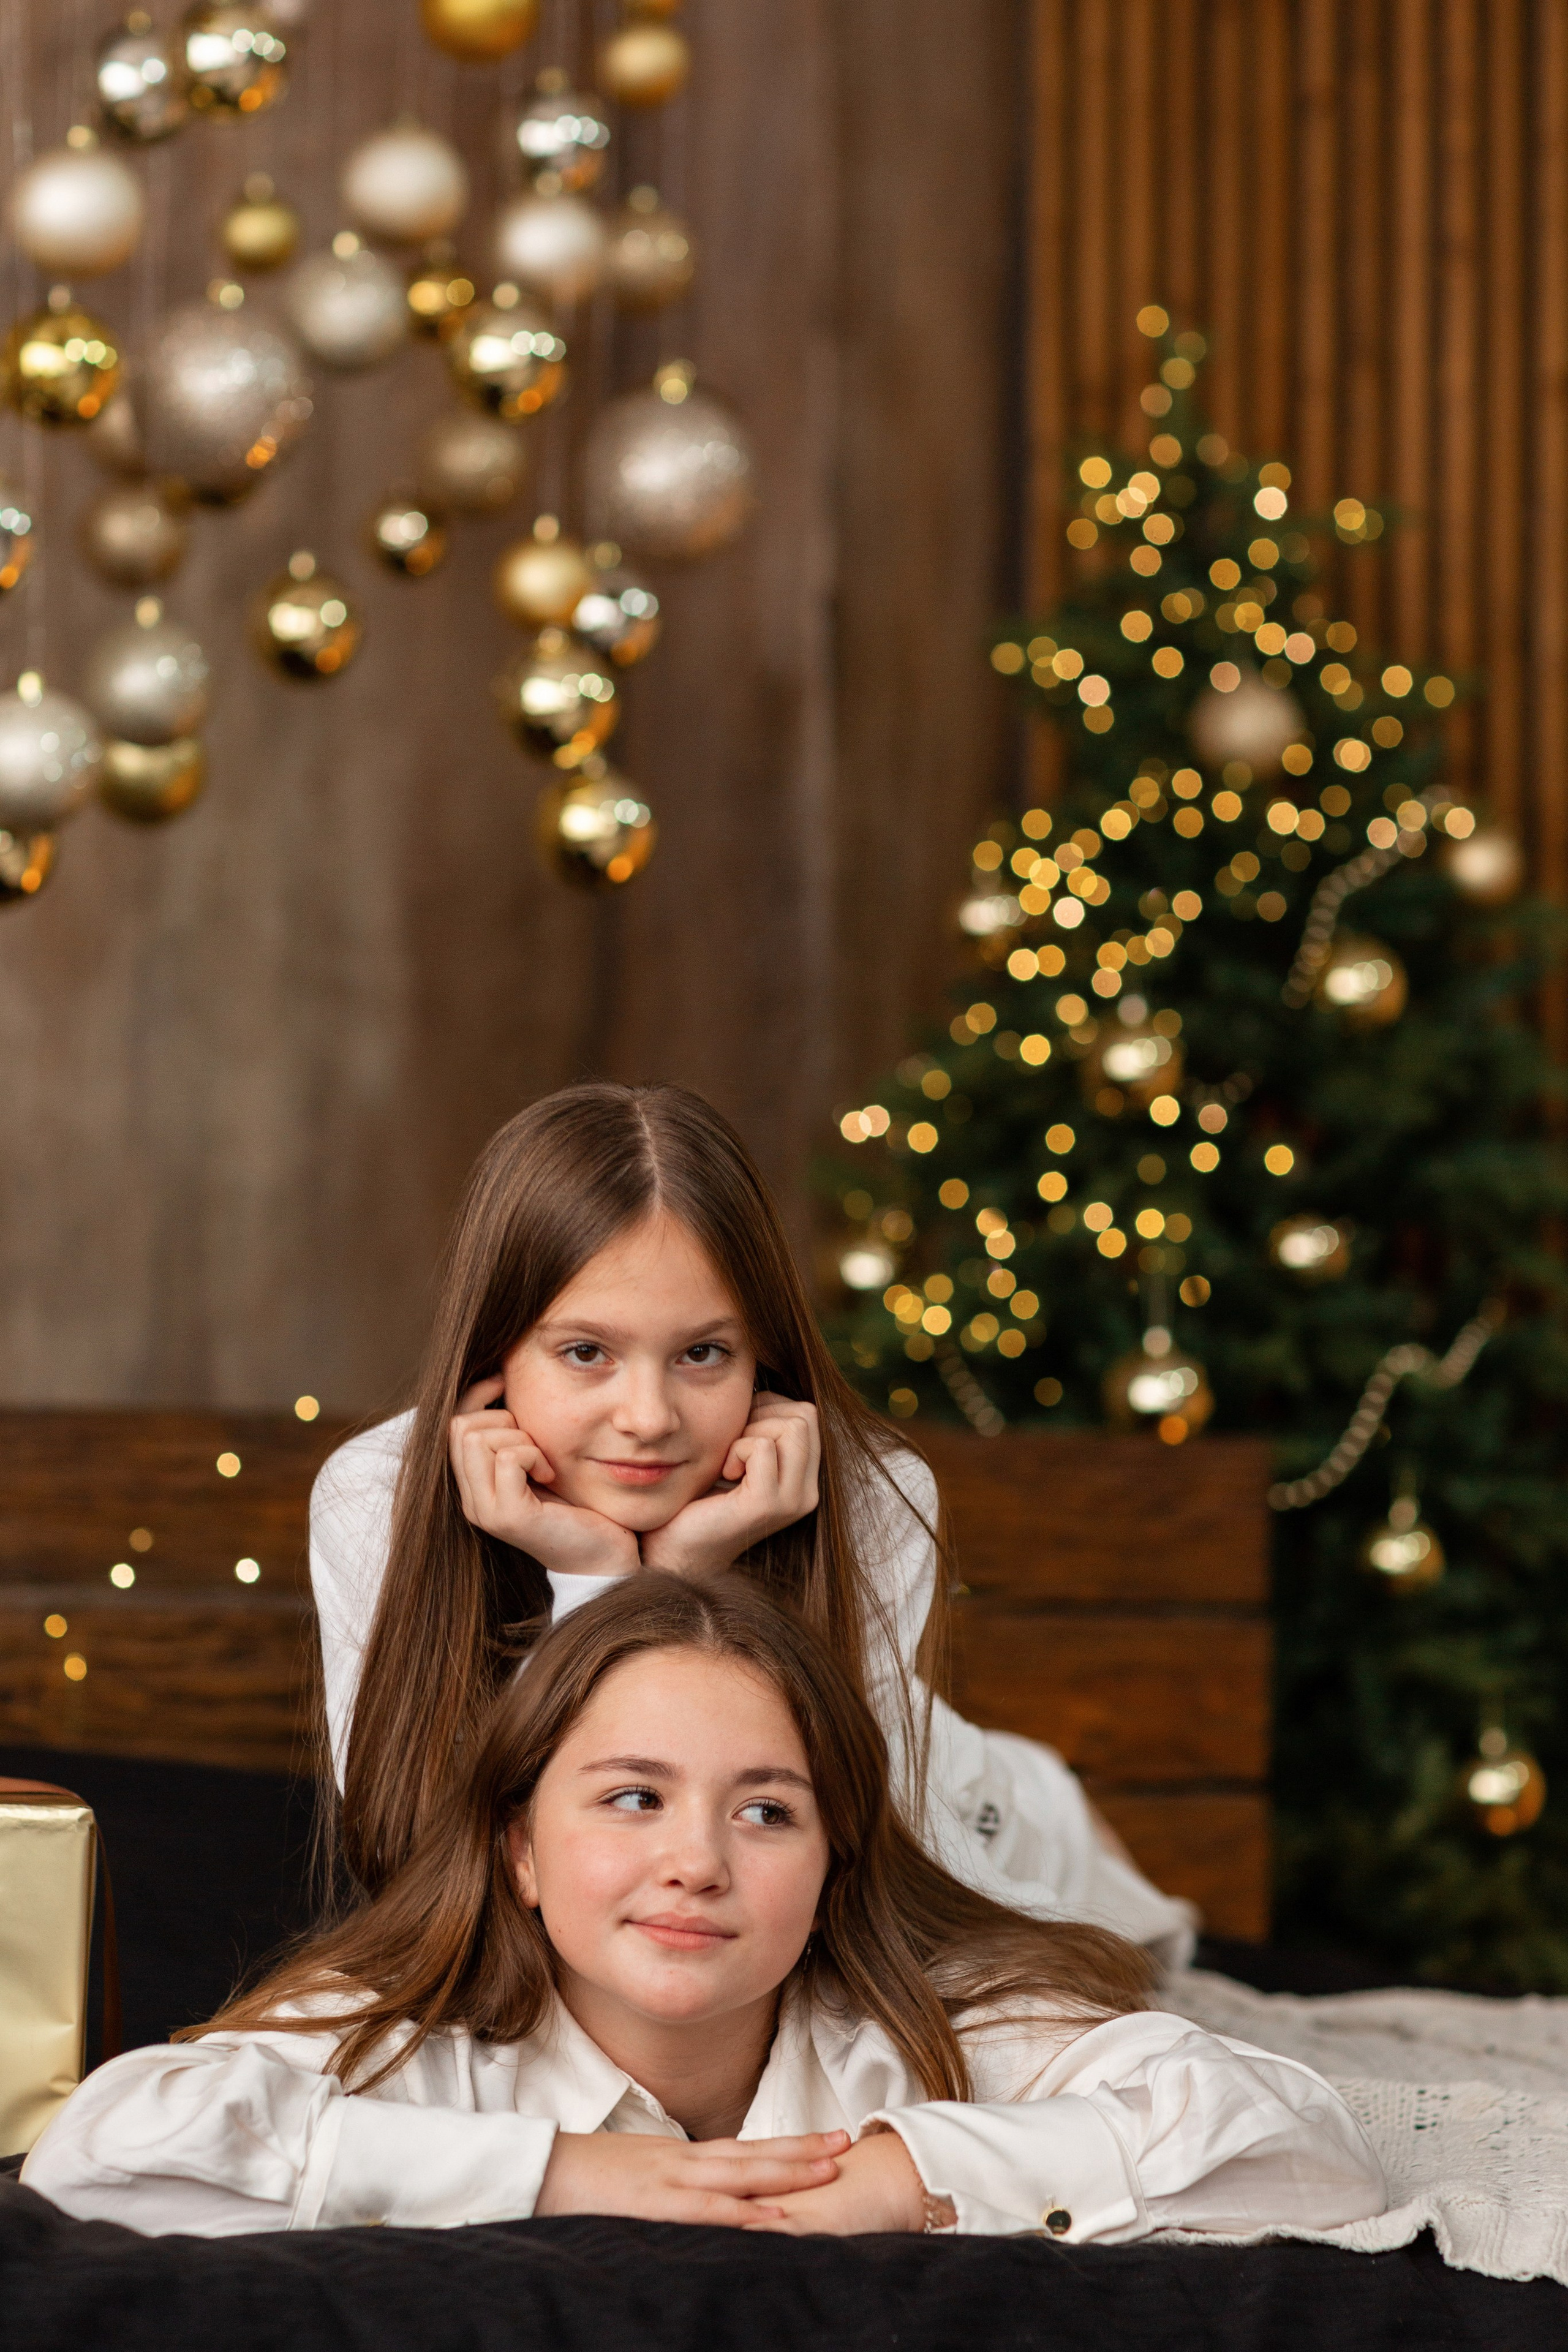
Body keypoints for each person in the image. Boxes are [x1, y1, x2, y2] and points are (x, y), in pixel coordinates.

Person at [23, 1576, 1384, 2241]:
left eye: (766, 1811)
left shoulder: (923, 2024)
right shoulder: (420, 2032)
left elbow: (1306, 2147)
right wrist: (570, 2174)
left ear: (834, 1862)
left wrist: (906, 2176)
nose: (697, 1863)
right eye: (632, 1798)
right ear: (519, 1850)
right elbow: (102, 2148)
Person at [310, 1082, 1194, 1962]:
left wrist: (679, 1581)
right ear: (495, 1353)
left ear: (761, 1358)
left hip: (981, 1817)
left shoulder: (873, 1496)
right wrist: (604, 1583)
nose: (648, 1417)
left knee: (1132, 1955)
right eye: (586, 1352)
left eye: (703, 1353)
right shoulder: (377, 1495)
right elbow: (425, 1857)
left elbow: (870, 1872)